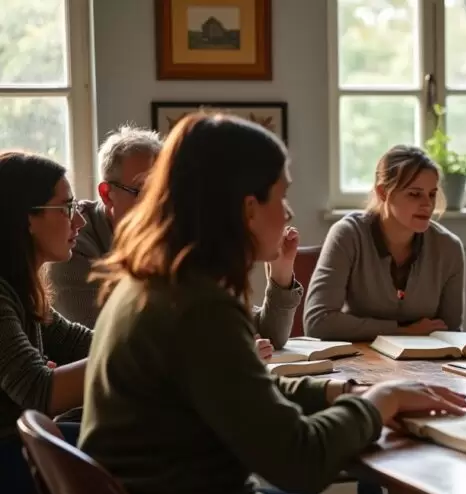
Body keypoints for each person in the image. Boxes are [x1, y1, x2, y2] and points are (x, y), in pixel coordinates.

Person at [80, 113, 466, 494]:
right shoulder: (199, 307)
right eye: (283, 195)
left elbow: (244, 392)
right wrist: (380, 402)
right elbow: (300, 463)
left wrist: (337, 393)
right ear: (248, 208)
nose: (290, 213)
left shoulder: (157, 282)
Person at [46, 124, 301, 357]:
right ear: (107, 194)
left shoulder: (175, 237)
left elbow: (266, 333)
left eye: (166, 190)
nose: (160, 204)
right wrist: (225, 352)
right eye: (144, 190)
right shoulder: (72, 242)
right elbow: (111, 343)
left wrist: (281, 275)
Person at [0, 150, 90, 494]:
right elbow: (39, 390)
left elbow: (83, 343)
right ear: (28, 218)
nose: (80, 220)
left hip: (17, 448)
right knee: (141, 443)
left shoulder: (21, 287)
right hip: (6, 461)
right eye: (66, 207)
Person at [303, 144, 465, 342]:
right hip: (359, 362)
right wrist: (404, 331)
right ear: (382, 193)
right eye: (414, 194)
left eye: (431, 194)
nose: (428, 204)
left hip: (424, 365)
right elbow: (318, 323)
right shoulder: (348, 235)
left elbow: (449, 331)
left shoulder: (448, 247)